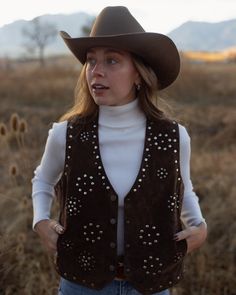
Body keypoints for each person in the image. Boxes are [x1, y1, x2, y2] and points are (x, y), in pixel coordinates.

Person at [32, 6, 207, 295]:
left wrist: (199, 226)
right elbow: (43, 179)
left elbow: (183, 189)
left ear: (139, 74)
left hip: (150, 284)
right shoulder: (66, 135)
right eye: (90, 61)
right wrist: (40, 220)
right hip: (82, 284)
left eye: (112, 60)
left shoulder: (174, 137)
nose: (96, 71)